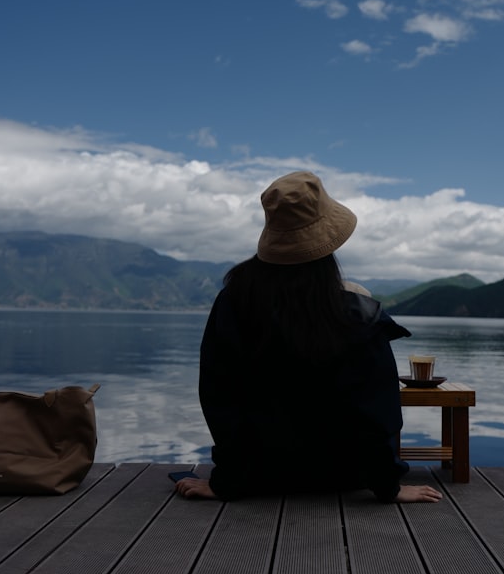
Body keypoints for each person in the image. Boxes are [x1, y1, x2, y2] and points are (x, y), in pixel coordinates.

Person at [176, 171, 442, 503]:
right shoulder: (354, 311)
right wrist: (389, 486)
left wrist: (226, 481)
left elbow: (219, 398)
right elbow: (376, 412)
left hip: (260, 478)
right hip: (344, 478)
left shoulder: (234, 300)